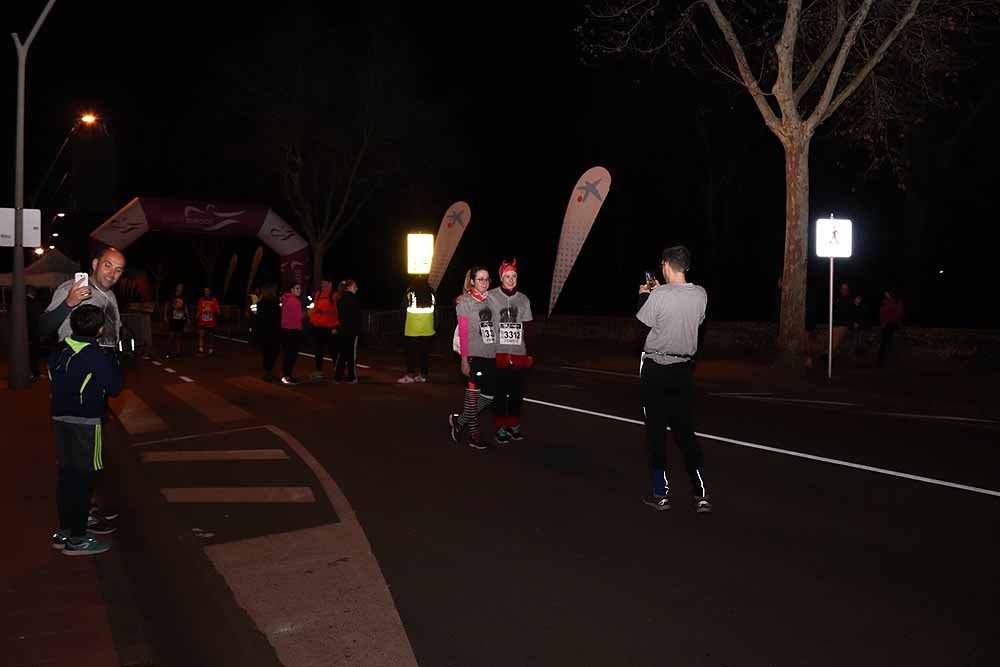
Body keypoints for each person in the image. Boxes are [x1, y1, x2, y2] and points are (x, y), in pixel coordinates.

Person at [636, 245, 711, 513]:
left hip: (657, 368)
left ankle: (661, 493)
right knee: (685, 432)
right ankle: (701, 493)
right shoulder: (701, 295)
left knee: (656, 432)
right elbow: (693, 322)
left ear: (667, 265)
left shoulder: (658, 296)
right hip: (684, 371)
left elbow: (640, 330)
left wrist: (645, 296)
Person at [48, 305, 123, 555]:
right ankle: (78, 538)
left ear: (73, 324)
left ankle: (65, 531)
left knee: (67, 477)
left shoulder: (59, 350)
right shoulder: (96, 356)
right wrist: (115, 360)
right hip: (85, 423)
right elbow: (114, 388)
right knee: (83, 480)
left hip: (60, 419)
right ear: (100, 329)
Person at [40, 246, 126, 351]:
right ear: (95, 264)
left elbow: (115, 330)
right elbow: (43, 328)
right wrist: (68, 304)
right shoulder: (70, 289)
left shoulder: (111, 295)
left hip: (107, 360)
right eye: (107, 266)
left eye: (118, 270)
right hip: (77, 361)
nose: (112, 274)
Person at [448, 266, 497, 450]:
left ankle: (459, 421)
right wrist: (464, 359)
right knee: (473, 398)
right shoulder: (465, 302)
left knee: (490, 396)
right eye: (480, 279)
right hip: (473, 356)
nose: (484, 282)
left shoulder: (492, 300)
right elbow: (463, 332)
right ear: (472, 282)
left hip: (491, 355)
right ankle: (474, 436)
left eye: (487, 279)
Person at [487, 259, 533, 445]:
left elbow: (527, 327)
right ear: (501, 278)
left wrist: (529, 352)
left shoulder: (523, 299)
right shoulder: (490, 296)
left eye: (514, 276)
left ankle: (513, 424)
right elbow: (472, 303)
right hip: (498, 353)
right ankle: (500, 427)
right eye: (507, 276)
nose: (511, 279)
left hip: (518, 353)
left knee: (516, 393)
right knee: (500, 393)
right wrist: (458, 298)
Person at [397, 279, 436, 383]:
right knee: (424, 354)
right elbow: (436, 311)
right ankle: (423, 375)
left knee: (411, 354)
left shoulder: (410, 293)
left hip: (412, 329)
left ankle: (410, 375)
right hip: (427, 329)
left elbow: (402, 310)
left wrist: (401, 326)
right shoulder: (432, 294)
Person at [308, 278, 340, 381]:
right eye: (321, 283)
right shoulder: (318, 294)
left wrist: (336, 326)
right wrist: (312, 321)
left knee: (333, 351)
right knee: (318, 351)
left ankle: (338, 371)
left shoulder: (334, 295)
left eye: (324, 283)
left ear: (330, 283)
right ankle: (318, 371)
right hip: (318, 327)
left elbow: (337, 313)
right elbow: (315, 309)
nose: (322, 285)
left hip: (330, 328)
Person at [334, 280, 361, 383]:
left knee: (342, 353)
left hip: (343, 330)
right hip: (352, 331)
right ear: (348, 287)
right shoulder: (353, 299)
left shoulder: (340, 299)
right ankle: (352, 376)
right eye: (355, 286)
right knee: (351, 355)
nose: (356, 288)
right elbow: (357, 317)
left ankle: (338, 376)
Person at [254, 283, 281, 381]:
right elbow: (278, 318)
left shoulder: (260, 303)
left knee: (266, 352)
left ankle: (268, 371)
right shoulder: (274, 303)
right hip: (273, 331)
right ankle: (269, 371)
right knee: (273, 351)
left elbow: (258, 319)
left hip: (264, 332)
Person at [280, 282, 306, 385]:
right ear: (291, 290)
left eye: (300, 288)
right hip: (293, 330)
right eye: (297, 288)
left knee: (287, 354)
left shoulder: (285, 299)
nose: (299, 290)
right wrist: (306, 313)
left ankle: (286, 375)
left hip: (285, 330)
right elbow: (298, 317)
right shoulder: (295, 301)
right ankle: (288, 376)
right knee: (292, 355)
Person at [878, 289, 904, 367]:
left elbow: (899, 313)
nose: (885, 294)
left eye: (886, 293)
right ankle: (883, 360)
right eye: (885, 293)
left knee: (887, 342)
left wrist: (892, 321)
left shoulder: (896, 301)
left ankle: (885, 360)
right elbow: (882, 312)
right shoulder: (885, 302)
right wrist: (882, 322)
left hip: (891, 324)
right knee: (886, 342)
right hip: (886, 324)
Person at [163, 283, 189, 359]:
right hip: (172, 318)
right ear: (176, 288)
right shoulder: (172, 296)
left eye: (182, 287)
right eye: (179, 287)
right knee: (171, 335)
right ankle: (168, 351)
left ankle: (178, 352)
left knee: (179, 336)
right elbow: (166, 306)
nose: (180, 289)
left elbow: (185, 308)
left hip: (180, 319)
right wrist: (165, 316)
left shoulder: (184, 297)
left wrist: (188, 318)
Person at [196, 286, 220, 355]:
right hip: (202, 321)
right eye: (205, 291)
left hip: (211, 321)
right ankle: (201, 348)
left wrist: (218, 312)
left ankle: (211, 349)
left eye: (207, 291)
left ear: (210, 292)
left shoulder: (214, 299)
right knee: (201, 334)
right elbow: (199, 309)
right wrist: (196, 317)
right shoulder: (201, 300)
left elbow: (217, 308)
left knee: (211, 335)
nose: (206, 292)